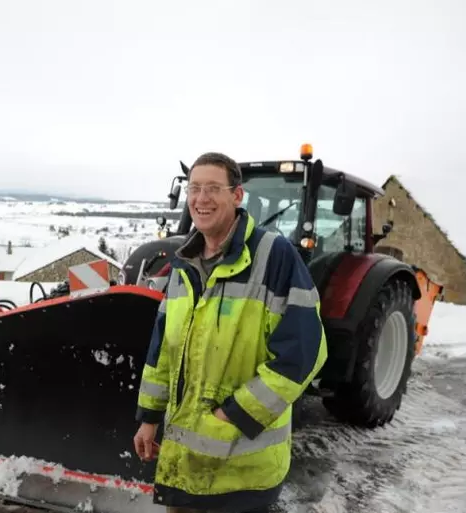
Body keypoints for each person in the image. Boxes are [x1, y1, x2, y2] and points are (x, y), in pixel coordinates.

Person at [133, 152, 328, 513]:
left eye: (212, 189)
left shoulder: (275, 257)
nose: (200, 199)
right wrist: (148, 418)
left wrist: (233, 416)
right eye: (194, 188)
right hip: (186, 469)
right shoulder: (183, 265)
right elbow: (163, 352)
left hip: (241, 474)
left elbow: (304, 354)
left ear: (237, 196)